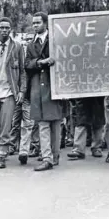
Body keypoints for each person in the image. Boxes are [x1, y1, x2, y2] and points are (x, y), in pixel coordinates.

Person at [25, 12, 64, 171]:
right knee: (42, 123)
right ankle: (47, 157)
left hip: (54, 86)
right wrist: (41, 62)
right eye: (33, 23)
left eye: (38, 23)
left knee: (55, 123)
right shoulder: (30, 45)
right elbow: (27, 64)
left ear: (45, 24)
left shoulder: (56, 40)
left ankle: (54, 156)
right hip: (38, 89)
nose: (35, 26)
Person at [0, 17, 26, 168]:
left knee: (6, 125)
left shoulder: (16, 47)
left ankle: (1, 155)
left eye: (6, 28)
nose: (4, 30)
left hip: (9, 91)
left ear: (10, 30)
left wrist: (22, 90)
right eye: (1, 27)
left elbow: (22, 71)